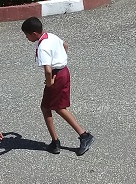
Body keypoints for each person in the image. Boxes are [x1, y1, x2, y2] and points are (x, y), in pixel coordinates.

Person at [20, 17, 94, 156]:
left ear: (34, 33)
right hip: (64, 71)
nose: (26, 37)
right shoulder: (50, 36)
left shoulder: (42, 47)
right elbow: (65, 45)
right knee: (55, 107)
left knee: (52, 107)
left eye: (27, 35)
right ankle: (60, 141)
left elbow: (47, 70)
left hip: (55, 76)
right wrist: (60, 59)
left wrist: (49, 82)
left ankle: (72, 138)